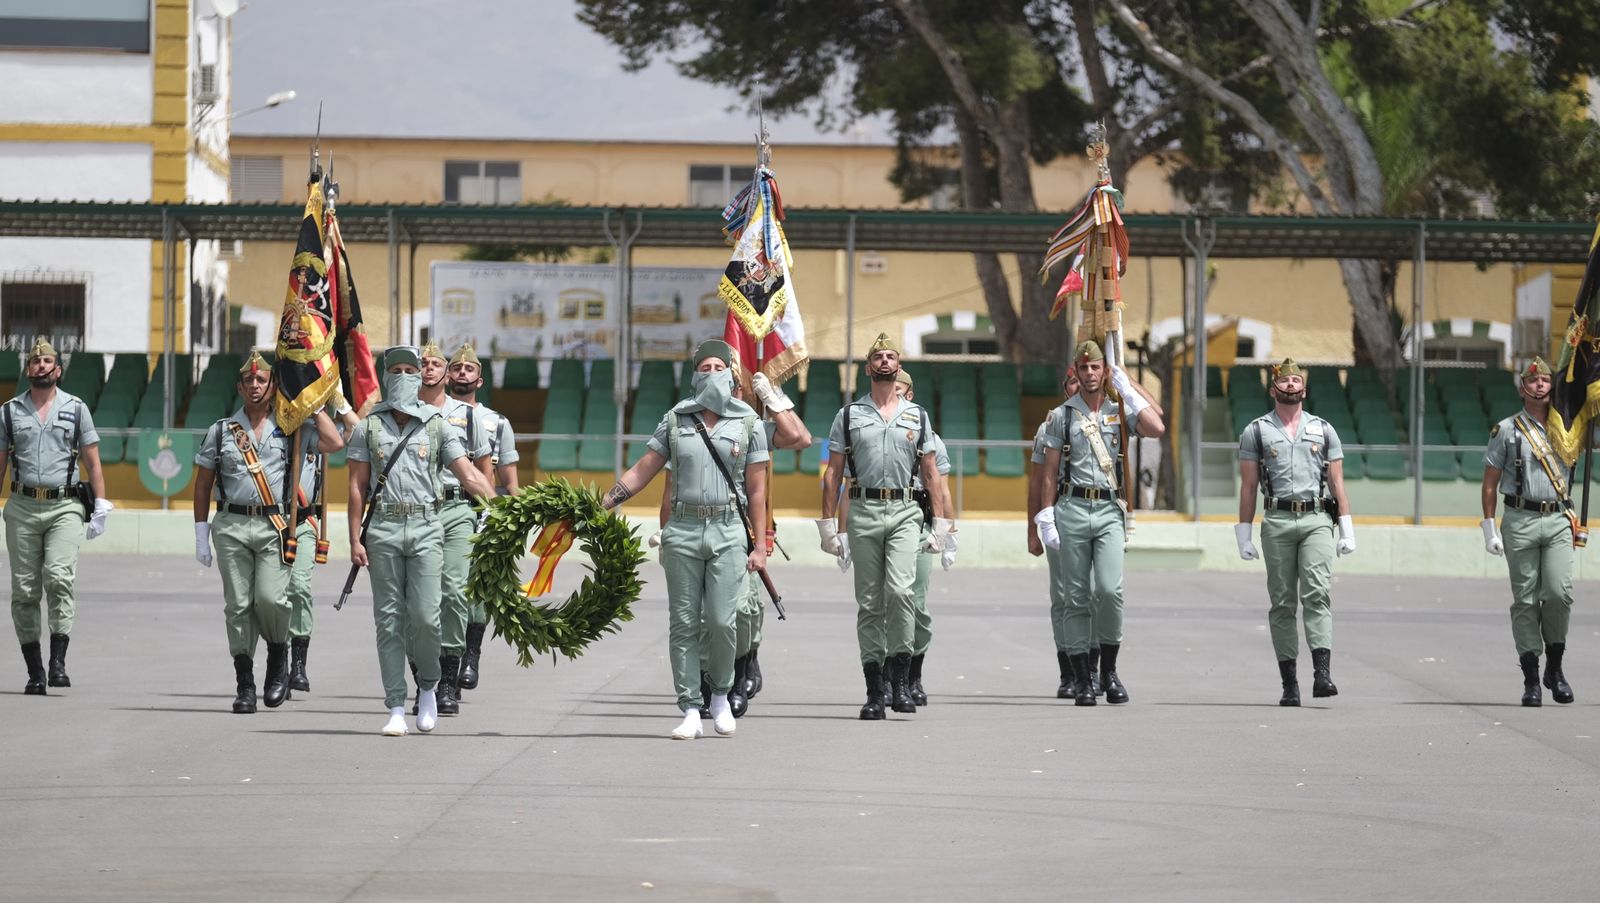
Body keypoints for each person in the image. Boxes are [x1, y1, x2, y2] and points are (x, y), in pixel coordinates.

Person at [604, 339, 768, 740]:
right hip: (683, 529)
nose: (711, 374)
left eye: (719, 368)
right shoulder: (675, 420)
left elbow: (757, 490)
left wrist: (761, 546)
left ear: (731, 375)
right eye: (704, 368)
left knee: (722, 621)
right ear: (694, 376)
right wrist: (603, 503)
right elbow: (643, 469)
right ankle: (691, 707)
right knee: (683, 623)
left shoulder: (749, 423)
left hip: (728, 530)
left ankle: (720, 695)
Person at [347, 346, 494, 737]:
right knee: (389, 621)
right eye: (395, 370)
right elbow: (357, 486)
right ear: (385, 377)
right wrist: (354, 539)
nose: (404, 376)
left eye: (410, 371)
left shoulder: (436, 426)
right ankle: (396, 704)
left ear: (420, 379)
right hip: (383, 529)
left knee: (427, 617)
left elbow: (470, 475)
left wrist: (505, 511)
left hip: (427, 525)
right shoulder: (368, 427)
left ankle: (428, 685)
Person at [192, 352, 343, 713]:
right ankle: (245, 683)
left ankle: (278, 658)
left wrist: (311, 403)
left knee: (272, 599)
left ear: (273, 386)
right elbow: (202, 484)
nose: (255, 386)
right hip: (231, 525)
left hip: (275, 526)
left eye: (262, 380)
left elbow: (334, 443)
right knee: (238, 606)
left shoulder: (291, 428)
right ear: (239, 387)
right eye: (249, 381)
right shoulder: (221, 431)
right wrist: (200, 532)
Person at [661, 368, 810, 718]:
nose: (723, 389)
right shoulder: (688, 427)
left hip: (742, 531)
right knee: (701, 615)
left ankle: (742, 670)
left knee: (740, 611)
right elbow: (670, 488)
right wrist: (665, 532)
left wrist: (774, 399)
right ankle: (709, 687)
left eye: (731, 384)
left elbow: (799, 437)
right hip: (696, 528)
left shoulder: (750, 426)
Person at [819, 333, 951, 720]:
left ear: (899, 365)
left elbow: (931, 473)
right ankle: (875, 691)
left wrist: (941, 524)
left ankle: (901, 681)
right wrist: (829, 525)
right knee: (870, 603)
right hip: (864, 510)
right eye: (878, 356)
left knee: (901, 592)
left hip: (906, 511)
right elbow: (834, 473)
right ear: (868, 368)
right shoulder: (849, 415)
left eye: (891, 356)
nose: (884, 361)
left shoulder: (917, 415)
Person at [1035, 340, 1165, 706]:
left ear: (1105, 372)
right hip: (1072, 507)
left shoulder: (1119, 410)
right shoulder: (1061, 416)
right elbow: (1049, 472)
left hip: (1109, 509)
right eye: (1084, 368)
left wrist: (1128, 387)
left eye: (1096, 367)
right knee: (1076, 595)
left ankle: (1109, 671)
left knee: (1109, 591)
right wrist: (1046, 516)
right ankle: (1082, 678)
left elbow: (1156, 427)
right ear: (1075, 372)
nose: (1090, 373)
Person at [1235, 359, 1355, 706]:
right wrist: (1244, 534)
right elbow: (1248, 486)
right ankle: (1290, 684)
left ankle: (1322, 674)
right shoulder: (1256, 431)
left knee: (1317, 594)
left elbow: (1337, 482)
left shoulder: (1323, 429)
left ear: (1304, 388)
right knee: (1283, 602)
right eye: (1285, 380)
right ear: (1273, 389)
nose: (1290, 385)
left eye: (1296, 380)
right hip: (1277, 520)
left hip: (1316, 518)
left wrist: (1346, 528)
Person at [0, 338, 111, 695]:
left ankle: (57, 662)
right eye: (36, 362)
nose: (41, 366)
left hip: (64, 506)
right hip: (22, 505)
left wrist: (101, 504)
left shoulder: (76, 409)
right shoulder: (9, 412)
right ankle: (35, 671)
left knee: (59, 577)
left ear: (58, 370)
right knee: (24, 590)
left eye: (48, 361)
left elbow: (93, 461)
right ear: (28, 369)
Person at [1480, 357, 1575, 707]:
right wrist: (1489, 527)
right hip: (1520, 518)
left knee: (1559, 593)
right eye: (1533, 381)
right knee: (1525, 600)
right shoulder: (1506, 430)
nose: (1540, 385)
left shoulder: (1568, 427)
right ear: (1523, 388)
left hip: (1558, 518)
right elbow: (1490, 483)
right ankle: (1532, 678)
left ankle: (1556, 667)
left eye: (1545, 380)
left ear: (1552, 386)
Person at [417, 341, 493, 716]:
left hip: (457, 509)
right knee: (419, 602)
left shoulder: (466, 416)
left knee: (453, 592)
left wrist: (490, 514)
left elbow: (483, 470)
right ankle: (423, 676)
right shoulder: (402, 413)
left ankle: (447, 679)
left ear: (445, 374)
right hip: (416, 510)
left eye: (436, 363)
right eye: (423, 363)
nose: (428, 368)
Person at [444, 342, 519, 692]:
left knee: (476, 588)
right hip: (444, 507)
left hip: (483, 511)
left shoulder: (497, 422)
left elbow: (510, 481)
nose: (462, 373)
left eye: (469, 369)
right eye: (457, 368)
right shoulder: (433, 415)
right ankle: (448, 661)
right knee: (448, 589)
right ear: (447, 376)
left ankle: (470, 657)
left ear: (479, 379)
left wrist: (516, 519)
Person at [285, 392, 362, 695]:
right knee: (271, 597)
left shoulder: (311, 428)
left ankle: (298, 663)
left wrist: (334, 402)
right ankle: (278, 661)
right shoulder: (267, 427)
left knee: (299, 587)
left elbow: (353, 433)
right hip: (269, 519)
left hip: (302, 522)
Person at [1028, 366, 1092, 699]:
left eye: (1082, 380)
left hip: (1098, 515)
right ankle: (1069, 670)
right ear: (1066, 387)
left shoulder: (1109, 419)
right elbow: (1038, 481)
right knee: (1064, 595)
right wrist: (1033, 529)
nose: (1078, 385)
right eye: (1072, 381)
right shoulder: (1051, 425)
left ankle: (1093, 668)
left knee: (1097, 593)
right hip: (1060, 517)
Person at [894, 369, 953, 706]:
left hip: (920, 525)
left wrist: (948, 530)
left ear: (911, 395)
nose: (896, 395)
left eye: (901, 391)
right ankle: (888, 676)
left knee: (915, 602)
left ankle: (912, 674)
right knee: (887, 602)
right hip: (886, 519)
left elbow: (941, 489)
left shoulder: (930, 438)